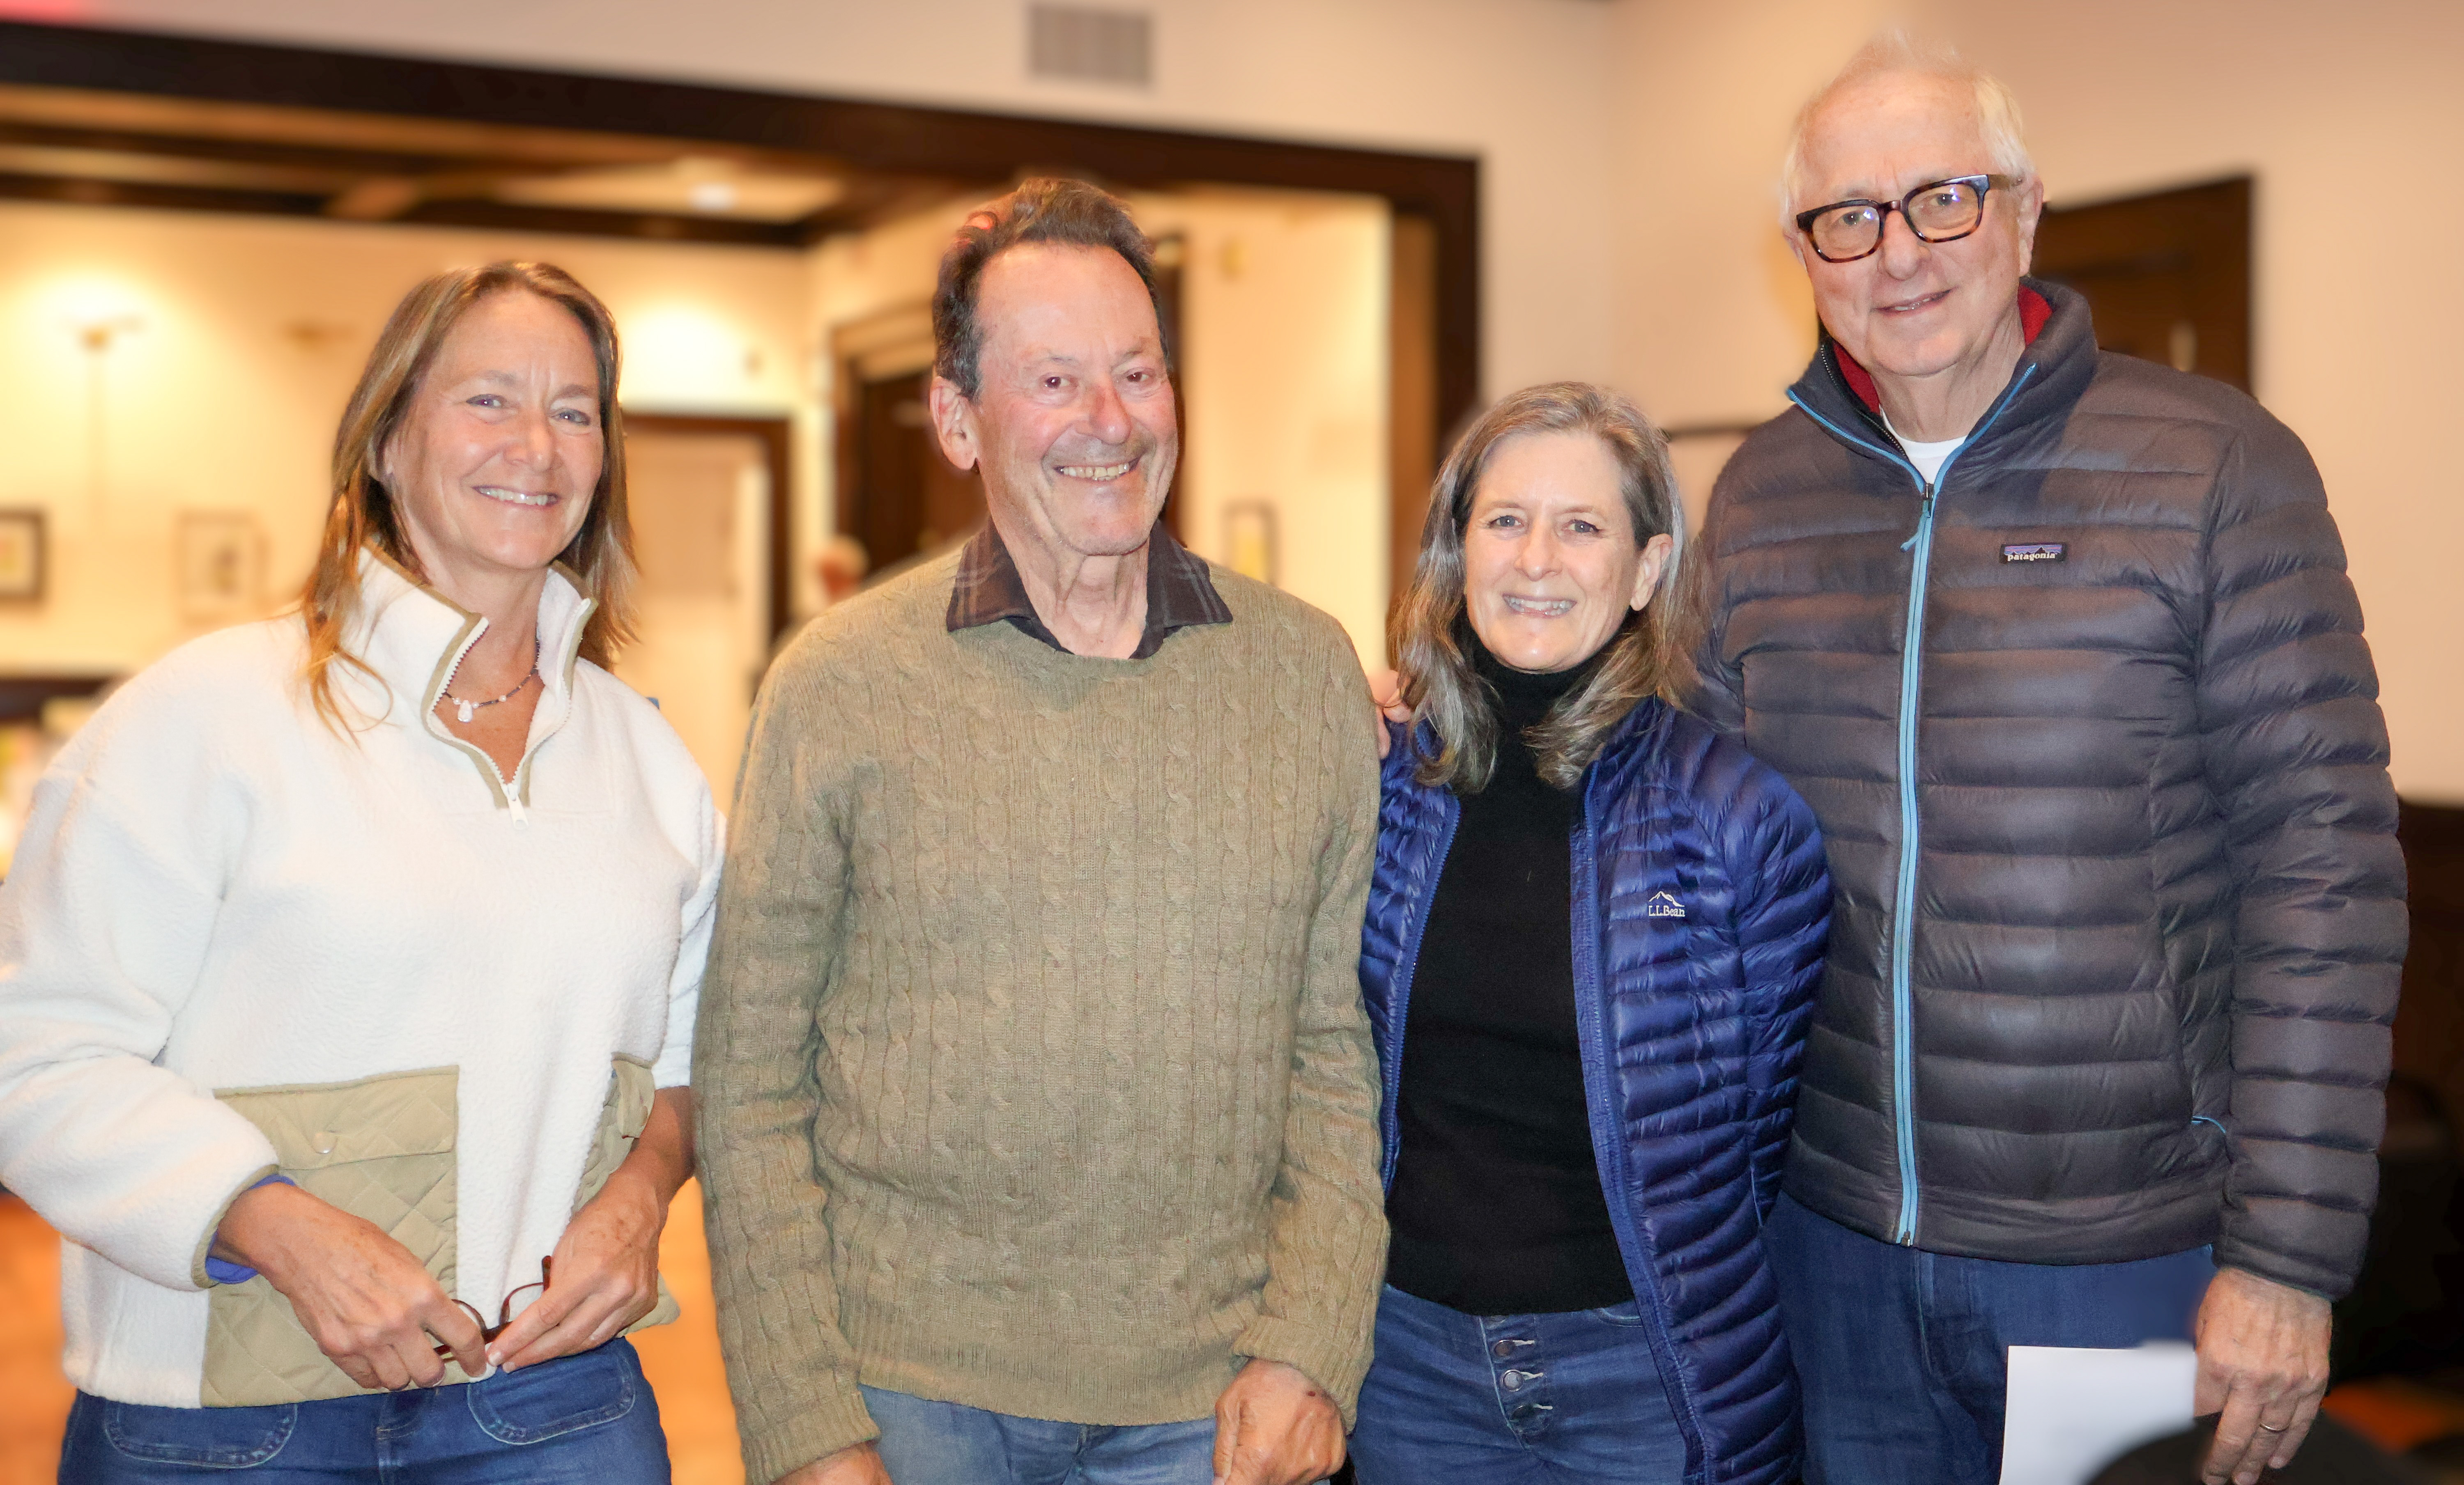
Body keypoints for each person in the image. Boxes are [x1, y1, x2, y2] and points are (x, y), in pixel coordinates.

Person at [1693, 35, 2407, 1485]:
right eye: (1849, 217)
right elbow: (1681, 825)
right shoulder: (1760, 496)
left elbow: (2324, 873)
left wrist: (2287, 1256)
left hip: (2130, 1255)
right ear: (1806, 256)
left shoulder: (2215, 466)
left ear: (2024, 211)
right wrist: (1446, 724)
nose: (1899, 252)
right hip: (1830, 1251)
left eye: (1943, 198)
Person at [693, 178, 1386, 1485]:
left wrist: (1312, 1343)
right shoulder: (837, 685)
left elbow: (1335, 1054)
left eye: (1138, 371)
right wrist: (804, 1422)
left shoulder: (1304, 676)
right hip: (911, 1396)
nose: (1110, 420)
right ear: (958, 420)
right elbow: (751, 1077)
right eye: (1056, 381)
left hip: (1214, 1402)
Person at [0, 260, 721, 1480]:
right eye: (488, 400)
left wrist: (643, 1196)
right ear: (386, 442)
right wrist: (277, 1227)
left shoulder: (648, 761)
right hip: (226, 1420)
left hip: (552, 1400)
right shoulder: (204, 717)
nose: (536, 446)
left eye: (574, 410)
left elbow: (694, 1059)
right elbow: (34, 1049)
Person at [1352, 383, 1830, 1485]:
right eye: (1505, 520)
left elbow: (1754, 1150)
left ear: (1648, 569)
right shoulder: (1377, 785)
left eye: (1582, 526)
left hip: (1644, 1375)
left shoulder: (1739, 821)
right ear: (1457, 550)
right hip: (1407, 1367)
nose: (1537, 560)